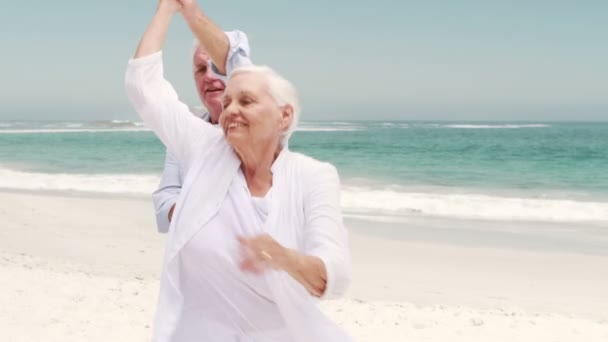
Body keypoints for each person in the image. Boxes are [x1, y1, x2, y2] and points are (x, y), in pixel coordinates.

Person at [125, 0, 352, 340]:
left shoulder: (312, 176)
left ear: (284, 116)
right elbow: (144, 88)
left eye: (245, 102)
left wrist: (283, 257)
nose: (230, 110)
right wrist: (165, 10)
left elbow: (334, 274)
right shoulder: (205, 149)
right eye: (228, 102)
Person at [152, 31, 251, 233]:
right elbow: (165, 198)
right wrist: (190, 213)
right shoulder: (186, 130)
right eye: (200, 69)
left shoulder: (262, 129)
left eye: (217, 67)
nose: (208, 77)